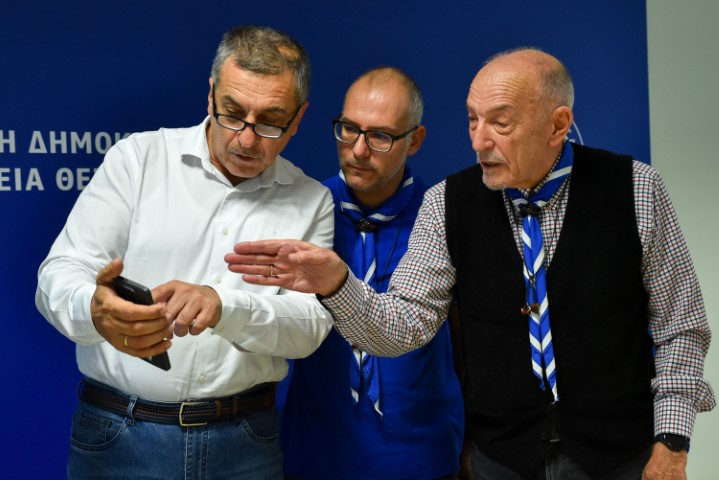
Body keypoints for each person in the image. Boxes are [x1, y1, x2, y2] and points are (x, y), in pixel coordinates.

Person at [225, 48, 716, 480]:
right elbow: (404, 325)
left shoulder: (637, 188)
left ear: (558, 125)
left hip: (622, 458)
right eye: (471, 120)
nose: (479, 141)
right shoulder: (447, 202)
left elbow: (682, 327)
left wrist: (672, 443)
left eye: (500, 123)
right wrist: (337, 283)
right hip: (503, 461)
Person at [35, 25, 335, 479]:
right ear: (210, 95)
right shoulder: (138, 160)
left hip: (246, 444)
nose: (247, 140)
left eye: (271, 121)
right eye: (233, 113)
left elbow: (309, 327)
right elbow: (59, 274)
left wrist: (224, 308)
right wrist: (94, 309)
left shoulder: (311, 200)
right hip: (120, 435)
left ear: (298, 118)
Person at [279, 66, 464, 479]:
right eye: (348, 129)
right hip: (315, 454)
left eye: (380, 136)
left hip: (423, 457)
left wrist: (474, 441)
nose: (358, 150)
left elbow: (468, 338)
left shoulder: (442, 215)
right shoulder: (304, 209)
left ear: (415, 140)